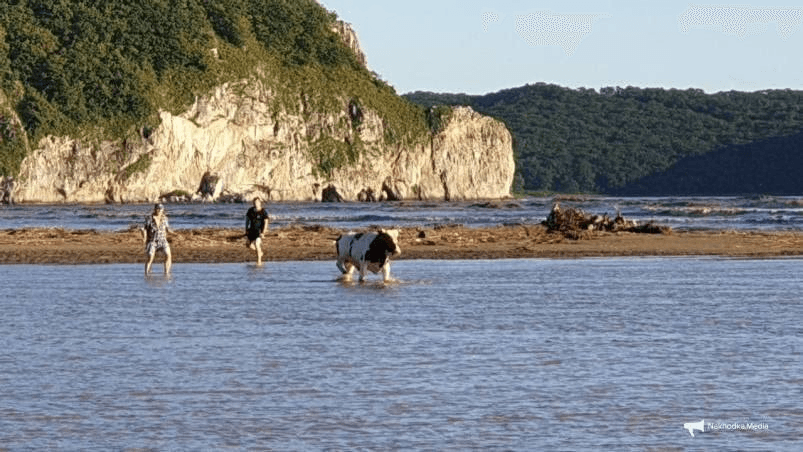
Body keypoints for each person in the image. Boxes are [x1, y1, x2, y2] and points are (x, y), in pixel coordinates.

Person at [142, 203, 172, 275]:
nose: (159, 210)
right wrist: (144, 238)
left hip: (162, 240)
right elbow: (144, 229)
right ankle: (146, 273)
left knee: (168, 255)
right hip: (153, 240)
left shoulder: (165, 218)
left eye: (161, 209)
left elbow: (167, 229)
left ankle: (166, 273)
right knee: (150, 257)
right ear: (155, 209)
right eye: (158, 209)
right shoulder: (149, 218)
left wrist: (175, 233)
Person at [245, 197, 270, 265]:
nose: (256, 204)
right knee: (249, 245)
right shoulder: (250, 210)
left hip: (259, 230)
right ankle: (260, 253)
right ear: (253, 203)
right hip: (252, 230)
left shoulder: (263, 211)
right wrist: (246, 229)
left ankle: (259, 261)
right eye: (255, 202)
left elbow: (266, 222)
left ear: (260, 203)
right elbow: (247, 220)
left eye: (258, 202)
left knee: (257, 244)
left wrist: (263, 232)